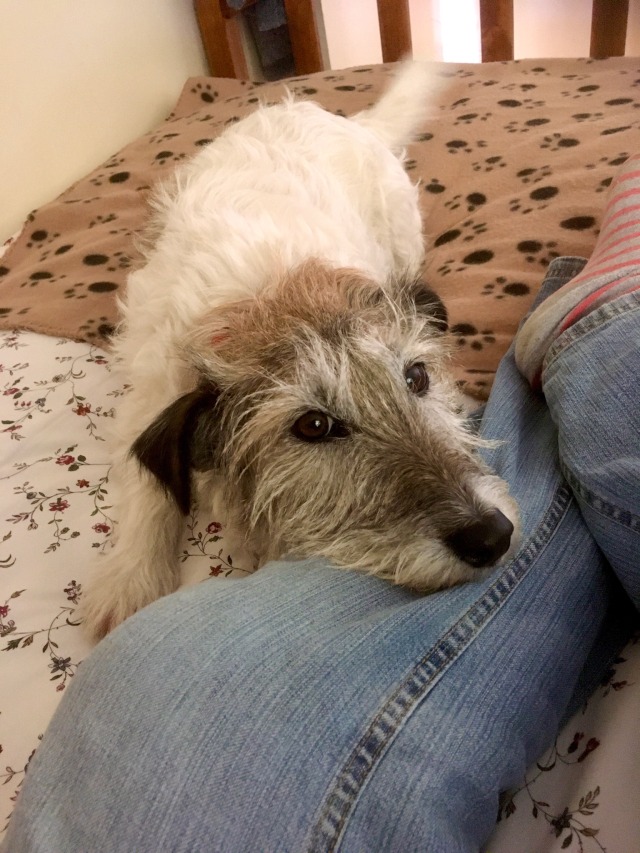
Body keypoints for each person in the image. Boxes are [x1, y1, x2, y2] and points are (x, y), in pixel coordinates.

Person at [4, 157, 640, 853]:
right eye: (314, 426)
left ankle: (603, 312)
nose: (467, 497)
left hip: (345, 168)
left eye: (416, 374)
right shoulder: (191, 397)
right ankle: (607, 312)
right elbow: (155, 436)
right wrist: (142, 552)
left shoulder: (381, 283)